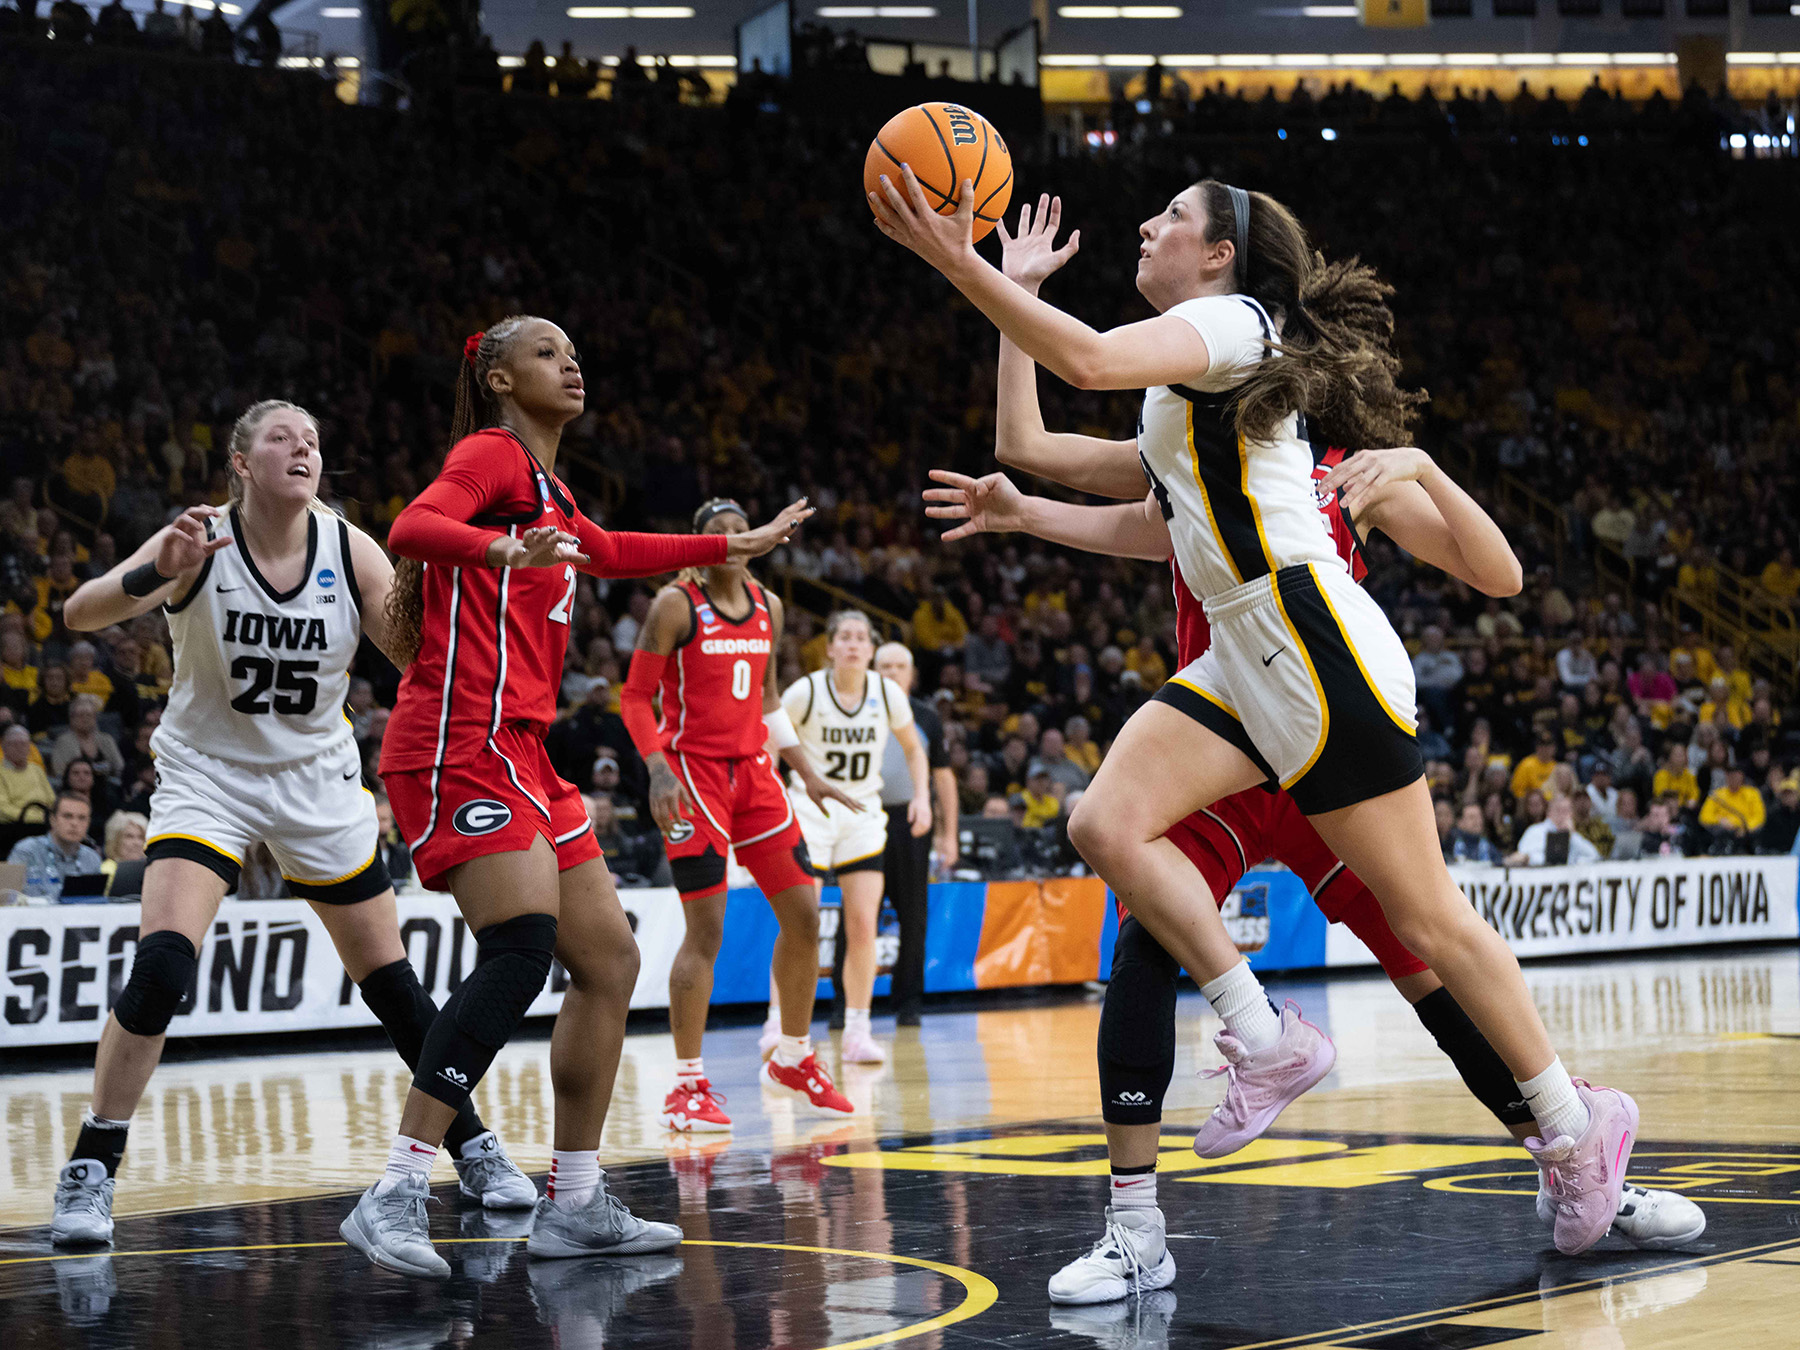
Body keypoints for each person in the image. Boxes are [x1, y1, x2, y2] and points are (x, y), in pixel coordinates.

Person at [923, 198, 1703, 1296]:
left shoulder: (1257, 361)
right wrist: (1020, 380)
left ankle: (1581, 1139)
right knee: (1103, 826)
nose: (1148, 222)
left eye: (1172, 213)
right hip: (1239, 675)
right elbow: (1049, 456)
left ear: (1228, 255)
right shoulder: (1185, 411)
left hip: (1308, 655)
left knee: (1429, 930)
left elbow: (1501, 576)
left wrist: (1421, 464)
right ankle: (1218, 1103)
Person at [344, 317, 807, 1278]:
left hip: (523, 751)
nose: (573, 361)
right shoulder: (491, 456)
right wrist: (499, 553)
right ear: (503, 377)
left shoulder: (549, 489)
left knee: (610, 961)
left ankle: (578, 1201)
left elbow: (612, 548)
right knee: (519, 951)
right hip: (455, 743)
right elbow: (411, 527)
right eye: (549, 352)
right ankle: (396, 1188)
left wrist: (731, 543)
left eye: (572, 350)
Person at [47, 400, 539, 1249]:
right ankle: (92, 1165)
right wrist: (148, 572)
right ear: (240, 462)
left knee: (393, 985)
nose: (303, 447)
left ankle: (475, 1145)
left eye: (312, 438)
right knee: (163, 967)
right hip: (209, 777)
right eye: (281, 437)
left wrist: (488, 578)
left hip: (315, 780)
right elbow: (78, 615)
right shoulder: (199, 541)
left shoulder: (349, 549)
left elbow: (423, 656)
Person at [620, 497, 858, 1132]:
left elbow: (769, 695)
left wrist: (805, 770)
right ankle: (687, 1085)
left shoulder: (770, 606)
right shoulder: (676, 605)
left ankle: (794, 1056)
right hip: (691, 778)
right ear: (699, 545)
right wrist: (656, 764)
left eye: (738, 528)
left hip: (756, 776)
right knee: (707, 931)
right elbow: (636, 697)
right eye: (718, 531)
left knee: (806, 916)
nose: (732, 538)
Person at [769, 611, 930, 1065]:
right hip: (810, 814)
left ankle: (858, 1030)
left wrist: (921, 797)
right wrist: (775, 797)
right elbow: (769, 744)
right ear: (831, 647)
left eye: (863, 637)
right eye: (846, 637)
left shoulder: (887, 694)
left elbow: (915, 749)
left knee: (863, 924)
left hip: (862, 815)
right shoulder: (806, 691)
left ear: (872, 649)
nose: (855, 644)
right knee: (800, 925)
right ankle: (776, 1025)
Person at [870, 642, 958, 1026]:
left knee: (913, 916)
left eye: (898, 666)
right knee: (858, 915)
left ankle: (908, 1005)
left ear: (911, 674)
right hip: (864, 819)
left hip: (912, 822)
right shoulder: (857, 709)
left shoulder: (924, 716)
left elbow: (943, 777)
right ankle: (845, 1006)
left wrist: (948, 834)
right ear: (874, 670)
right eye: (884, 666)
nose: (891, 672)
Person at [8, 791, 102, 901]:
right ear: (52, 820)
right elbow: (8, 898)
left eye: (81, 818)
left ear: (88, 823)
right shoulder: (26, 851)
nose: (75, 823)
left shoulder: (92, 858)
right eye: (67, 816)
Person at [1509, 795, 1601, 867]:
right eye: (1559, 810)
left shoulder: (1573, 836)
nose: (1563, 815)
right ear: (1549, 812)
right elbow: (1523, 857)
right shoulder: (1535, 831)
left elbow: (1594, 855)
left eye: (1567, 811)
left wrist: (1572, 835)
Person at [1699, 765, 1764, 852]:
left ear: (1742, 776)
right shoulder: (1716, 795)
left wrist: (1745, 828)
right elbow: (1704, 816)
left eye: (1736, 776)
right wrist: (1720, 820)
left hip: (1746, 832)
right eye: (1731, 776)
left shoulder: (1752, 793)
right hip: (1723, 832)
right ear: (1726, 776)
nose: (1734, 779)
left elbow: (1759, 816)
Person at [1, 723, 54, 824]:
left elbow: (51, 800)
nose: (19, 748)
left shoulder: (36, 769)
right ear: (4, 747)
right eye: (14, 744)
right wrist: (38, 818)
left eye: (23, 744)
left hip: (45, 822)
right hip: (15, 825)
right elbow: (3, 809)